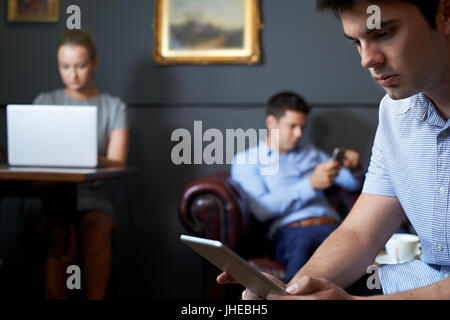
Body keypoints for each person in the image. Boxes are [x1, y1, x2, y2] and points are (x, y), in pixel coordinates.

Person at [218, 0, 450, 299]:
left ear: (444, 13)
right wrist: (293, 290)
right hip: (420, 277)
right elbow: (359, 232)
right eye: (356, 42)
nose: (367, 59)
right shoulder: (395, 113)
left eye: (384, 33)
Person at [30, 29, 129, 300]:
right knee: (61, 234)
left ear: (94, 64)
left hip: (94, 195)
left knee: (97, 230)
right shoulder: (45, 102)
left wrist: (88, 157)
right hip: (50, 194)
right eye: (65, 67)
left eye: (80, 65)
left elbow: (118, 161)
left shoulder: (113, 106)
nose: (73, 74)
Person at [231, 91, 363, 278]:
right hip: (293, 232)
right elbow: (262, 210)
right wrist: (310, 185)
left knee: (366, 261)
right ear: (271, 122)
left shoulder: (312, 153)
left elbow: (351, 184)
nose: (299, 134)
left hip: (334, 227)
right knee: (301, 280)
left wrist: (355, 168)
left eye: (302, 126)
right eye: (292, 126)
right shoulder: (248, 160)